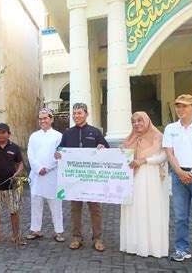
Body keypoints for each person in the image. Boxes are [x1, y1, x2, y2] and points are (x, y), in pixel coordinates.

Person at [54, 102, 109, 251]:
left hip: (92, 179)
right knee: (75, 209)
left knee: (95, 210)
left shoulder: (95, 132)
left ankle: (97, 238)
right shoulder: (67, 133)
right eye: (74, 113)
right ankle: (77, 238)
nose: (76, 116)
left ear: (86, 114)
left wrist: (102, 148)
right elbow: (60, 150)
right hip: (74, 180)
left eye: (79, 113)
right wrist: (57, 153)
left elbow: (107, 149)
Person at [163, 94, 192, 267]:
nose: (180, 109)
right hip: (178, 174)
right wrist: (180, 172)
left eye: (184, 106)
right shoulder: (171, 128)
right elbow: (169, 152)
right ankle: (182, 249)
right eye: (178, 106)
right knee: (180, 216)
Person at [120, 111, 169, 258]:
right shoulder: (129, 139)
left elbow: (164, 155)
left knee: (150, 208)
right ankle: (134, 244)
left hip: (150, 178)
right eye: (134, 121)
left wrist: (144, 161)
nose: (136, 124)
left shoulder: (157, 137)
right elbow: (121, 155)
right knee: (134, 208)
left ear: (147, 121)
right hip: (132, 179)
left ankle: (152, 247)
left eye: (140, 121)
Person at [26, 108, 65, 243]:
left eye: (45, 118)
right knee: (36, 202)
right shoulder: (33, 136)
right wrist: (38, 168)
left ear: (51, 119)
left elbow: (60, 155)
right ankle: (36, 229)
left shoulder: (58, 136)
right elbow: (30, 155)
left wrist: (47, 168)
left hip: (52, 175)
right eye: (40, 118)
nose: (42, 121)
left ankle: (58, 231)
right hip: (37, 175)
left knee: (55, 204)